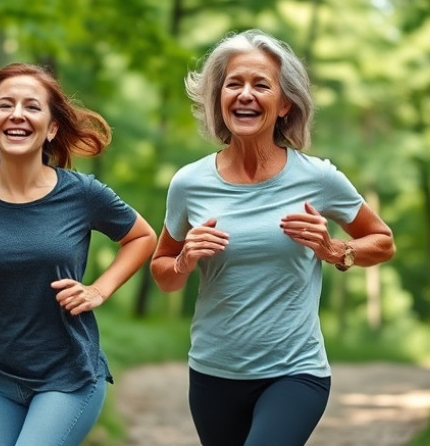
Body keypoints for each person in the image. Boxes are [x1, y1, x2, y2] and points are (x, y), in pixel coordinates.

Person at [150, 29, 396, 446]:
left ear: (284, 104)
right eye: (234, 83)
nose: (245, 94)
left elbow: (383, 241)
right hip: (213, 373)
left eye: (261, 84)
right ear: (218, 99)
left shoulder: (316, 177)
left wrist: (335, 249)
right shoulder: (189, 184)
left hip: (295, 373)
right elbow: (163, 275)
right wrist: (183, 260)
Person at [0, 63, 157, 446]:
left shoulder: (82, 194)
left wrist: (99, 290)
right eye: (5, 105)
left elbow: (142, 237)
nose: (17, 114)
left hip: (67, 375)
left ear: (52, 127)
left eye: (32, 107)